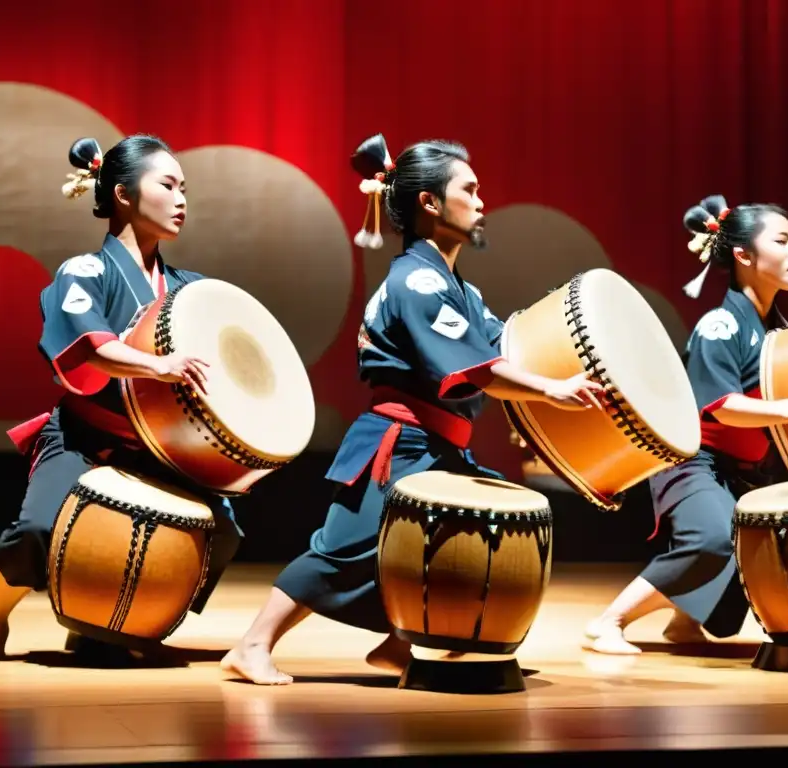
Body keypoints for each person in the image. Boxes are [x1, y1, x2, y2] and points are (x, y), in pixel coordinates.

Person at [220, 134, 605, 685]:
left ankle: (401, 644)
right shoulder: (417, 281)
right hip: (398, 442)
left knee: (474, 526)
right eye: (468, 190)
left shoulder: (460, 291)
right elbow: (477, 370)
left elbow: (505, 347)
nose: (480, 202)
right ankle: (252, 645)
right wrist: (549, 390)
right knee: (343, 550)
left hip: (439, 445)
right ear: (430, 203)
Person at [0, 135, 243, 662]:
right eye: (167, 185)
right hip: (84, 437)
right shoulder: (85, 272)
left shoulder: (190, 289)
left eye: (185, 187)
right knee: (37, 527)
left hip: (159, 448)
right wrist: (160, 364)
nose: (181, 198)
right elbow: (90, 347)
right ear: (122, 194)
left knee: (221, 531)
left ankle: (109, 623)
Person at [581, 194, 788, 654]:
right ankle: (608, 621)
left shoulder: (777, 332)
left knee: (749, 563)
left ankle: (682, 622)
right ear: (743, 255)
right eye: (782, 241)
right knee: (712, 539)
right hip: (693, 461)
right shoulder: (721, 325)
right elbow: (719, 406)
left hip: (742, 470)